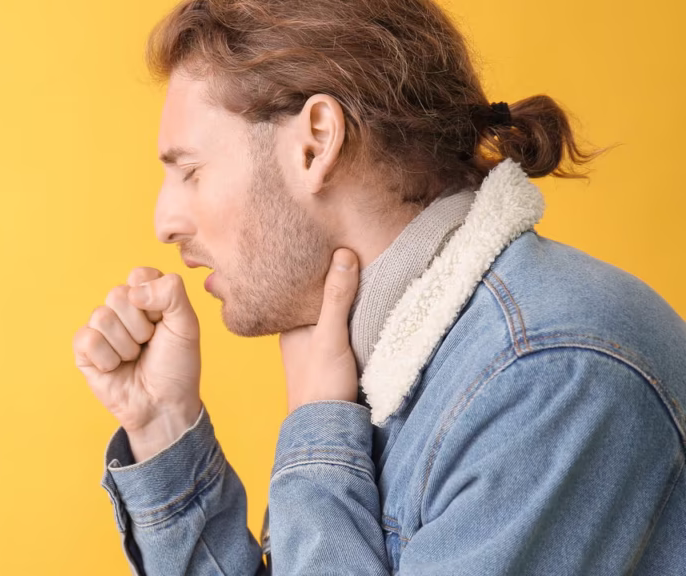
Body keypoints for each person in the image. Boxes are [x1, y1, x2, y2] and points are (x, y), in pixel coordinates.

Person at [71, 0, 686, 574]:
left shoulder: (552, 378)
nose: (164, 223)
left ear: (315, 143)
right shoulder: (393, 364)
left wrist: (316, 440)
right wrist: (163, 425)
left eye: (191, 171)